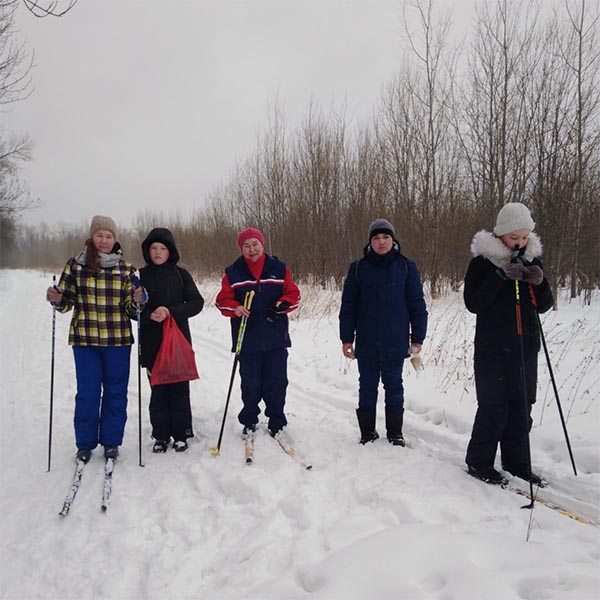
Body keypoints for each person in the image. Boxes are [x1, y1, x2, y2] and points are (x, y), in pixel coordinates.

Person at [464, 202, 554, 485]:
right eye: (515, 237)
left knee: (520, 409)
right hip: (493, 351)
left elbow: (544, 306)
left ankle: (517, 463)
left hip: (525, 349)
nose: (520, 243)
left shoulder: (532, 262)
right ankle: (479, 463)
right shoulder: (482, 263)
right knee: (495, 408)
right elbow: (473, 303)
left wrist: (539, 283)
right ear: (500, 234)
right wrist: (500, 276)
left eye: (525, 237)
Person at [46, 215, 144, 463]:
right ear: (91, 237)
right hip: (85, 340)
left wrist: (138, 300)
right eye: (100, 235)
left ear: (115, 239)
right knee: (88, 392)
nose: (104, 240)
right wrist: (56, 298)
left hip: (118, 341)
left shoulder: (127, 268)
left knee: (116, 392)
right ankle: (85, 443)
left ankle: (111, 442)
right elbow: (66, 302)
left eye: (109, 236)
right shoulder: (75, 265)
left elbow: (131, 310)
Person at [339, 218, 428, 446]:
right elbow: (348, 306)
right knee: (367, 385)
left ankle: (395, 433)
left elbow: (417, 304)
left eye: (385, 237)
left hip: (395, 340)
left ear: (393, 239)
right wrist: (346, 338)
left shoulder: (406, 266)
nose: (381, 242)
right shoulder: (358, 268)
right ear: (370, 242)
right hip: (367, 340)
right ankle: (367, 432)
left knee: (394, 385)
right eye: (376, 238)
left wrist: (417, 338)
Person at [216, 227, 300, 437]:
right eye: (246, 246)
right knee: (250, 382)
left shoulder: (279, 268)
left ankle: (277, 420)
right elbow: (222, 301)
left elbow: (293, 294)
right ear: (241, 248)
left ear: (262, 245)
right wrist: (235, 308)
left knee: (277, 381)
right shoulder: (233, 272)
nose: (251, 249)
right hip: (247, 338)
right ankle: (249, 419)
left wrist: (283, 303)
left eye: (255, 244)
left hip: (275, 337)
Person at [139, 227, 204, 453]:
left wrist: (170, 312)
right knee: (158, 390)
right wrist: (148, 313)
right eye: (154, 248)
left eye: (163, 248)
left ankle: (181, 433)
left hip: (178, 343)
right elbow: (130, 309)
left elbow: (196, 303)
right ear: (148, 251)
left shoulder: (181, 275)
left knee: (179, 389)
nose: (158, 253)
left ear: (171, 251)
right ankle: (160, 435)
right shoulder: (139, 276)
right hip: (151, 344)